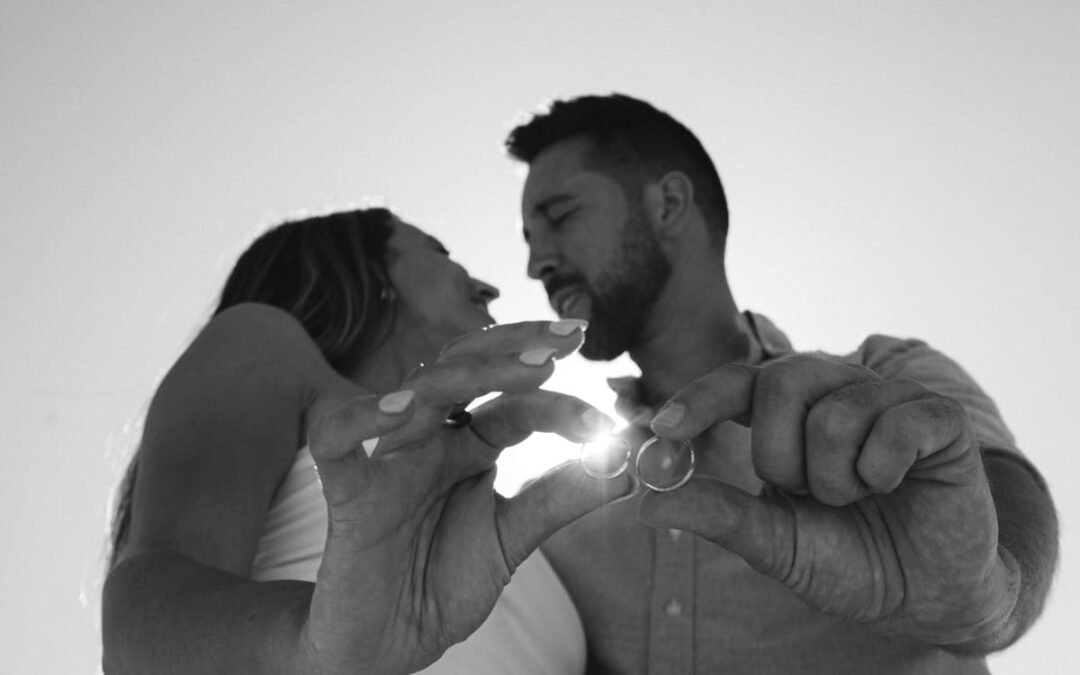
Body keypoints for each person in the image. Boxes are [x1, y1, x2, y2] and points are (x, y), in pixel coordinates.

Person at [506, 93, 1059, 674]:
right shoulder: (558, 513)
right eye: (525, 236)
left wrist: (981, 601)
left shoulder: (891, 378)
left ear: (667, 204)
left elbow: (1005, 509)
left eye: (560, 215)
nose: (535, 263)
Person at [101, 207, 633, 674]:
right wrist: (311, 649)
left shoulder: (501, 527)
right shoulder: (265, 346)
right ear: (364, 270)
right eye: (438, 250)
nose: (489, 287)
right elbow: (137, 619)